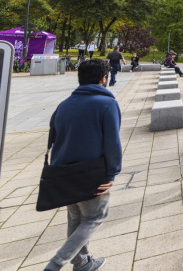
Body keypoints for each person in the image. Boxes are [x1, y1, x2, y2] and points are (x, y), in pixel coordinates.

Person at [43, 59, 121, 271]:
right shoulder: (107, 104)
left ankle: (82, 262)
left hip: (64, 172)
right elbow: (112, 142)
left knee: (76, 218)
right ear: (104, 79)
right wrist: (112, 173)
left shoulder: (64, 104)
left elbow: (55, 138)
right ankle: (55, 264)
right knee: (95, 217)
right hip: (91, 173)